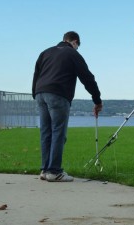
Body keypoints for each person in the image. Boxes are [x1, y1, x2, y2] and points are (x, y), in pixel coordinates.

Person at [32, 31, 102, 182]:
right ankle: (54, 171)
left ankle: (45, 169)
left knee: (46, 132)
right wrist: (97, 100)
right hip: (58, 94)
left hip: (40, 93)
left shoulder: (45, 52)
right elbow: (88, 78)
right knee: (58, 132)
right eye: (78, 46)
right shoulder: (73, 54)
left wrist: (35, 94)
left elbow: (36, 74)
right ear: (75, 42)